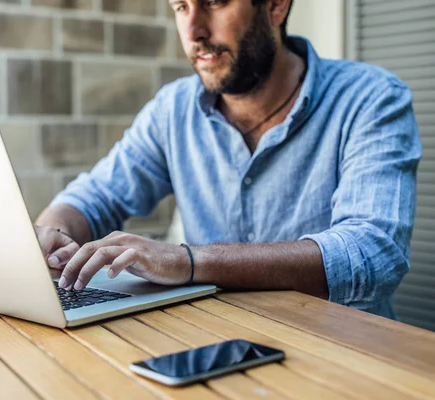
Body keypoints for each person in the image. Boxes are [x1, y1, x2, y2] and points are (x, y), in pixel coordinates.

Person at [34, 0, 422, 319]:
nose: (194, 32)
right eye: (181, 6)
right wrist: (50, 234)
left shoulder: (372, 97)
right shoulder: (174, 109)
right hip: (214, 345)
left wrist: (186, 261)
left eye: (214, 3)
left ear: (276, 6)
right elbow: (96, 197)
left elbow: (372, 254)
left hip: (342, 357)